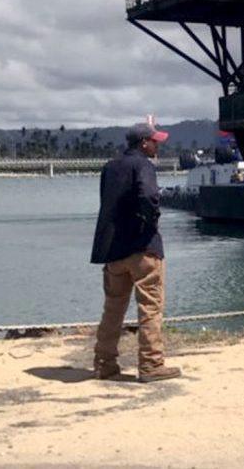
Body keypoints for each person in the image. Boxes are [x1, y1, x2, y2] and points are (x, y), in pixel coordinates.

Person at [91, 122, 181, 383]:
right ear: (143, 143)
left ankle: (104, 363)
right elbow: (149, 196)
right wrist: (152, 221)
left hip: (113, 250)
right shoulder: (144, 166)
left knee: (112, 309)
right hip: (142, 248)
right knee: (150, 308)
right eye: (155, 141)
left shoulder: (110, 167)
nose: (158, 145)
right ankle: (151, 364)